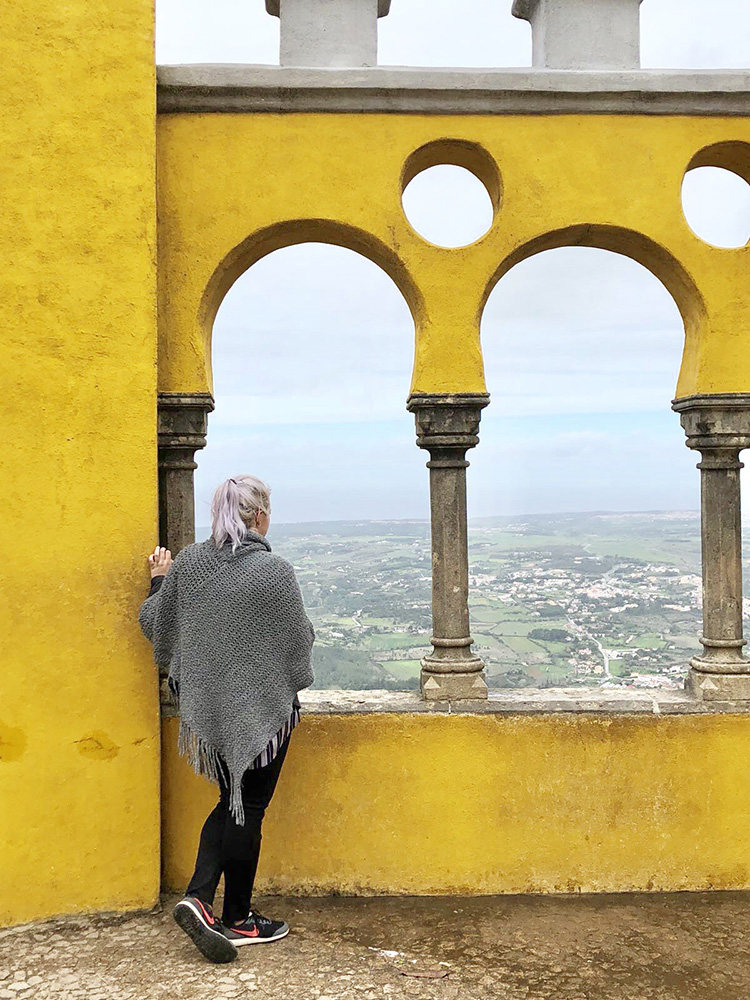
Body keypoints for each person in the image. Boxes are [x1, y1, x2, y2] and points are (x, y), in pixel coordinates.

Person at [138, 474, 315, 964]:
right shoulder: (273, 572)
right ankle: (238, 918)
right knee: (247, 806)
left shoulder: (190, 563)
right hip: (264, 715)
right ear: (258, 516)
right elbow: (300, 644)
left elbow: (156, 624)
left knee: (229, 800)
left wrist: (158, 579)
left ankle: (199, 899)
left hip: (208, 714)